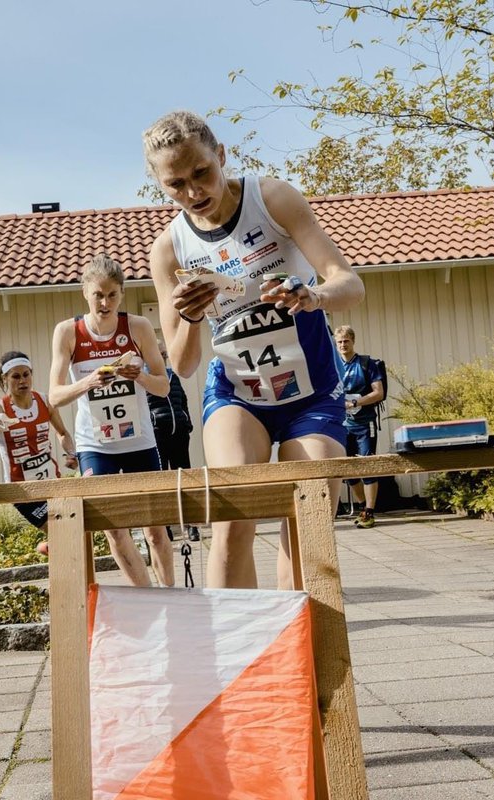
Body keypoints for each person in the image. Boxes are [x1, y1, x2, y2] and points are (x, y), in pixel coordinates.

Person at [144, 110, 365, 590]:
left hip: (311, 390)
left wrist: (315, 297)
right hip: (237, 395)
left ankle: (296, 651)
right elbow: (181, 362)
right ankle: (234, 656)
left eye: (201, 173)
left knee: (303, 524)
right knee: (230, 521)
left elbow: (350, 283)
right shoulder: (169, 249)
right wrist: (191, 314)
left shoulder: (273, 198)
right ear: (159, 184)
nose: (193, 193)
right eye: (175, 184)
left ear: (222, 156)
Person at [49, 254, 175, 588]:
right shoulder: (68, 332)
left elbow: (164, 387)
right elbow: (54, 396)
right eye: (98, 295)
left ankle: (170, 594)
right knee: (115, 530)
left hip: (138, 440)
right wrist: (89, 382)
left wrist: (141, 377)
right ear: (85, 294)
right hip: (95, 444)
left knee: (154, 529)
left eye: (112, 296)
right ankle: (145, 598)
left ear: (122, 294)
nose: (105, 303)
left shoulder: (137, 327)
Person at [0, 350, 78, 537]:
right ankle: (50, 547)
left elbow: (63, 433)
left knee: (72, 530)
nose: (22, 381)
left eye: (26, 375)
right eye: (16, 377)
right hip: (22, 488)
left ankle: (49, 549)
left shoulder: (45, 402)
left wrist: (71, 453)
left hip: (51, 481)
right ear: (5, 379)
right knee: (58, 531)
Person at [334, 325, 398, 528]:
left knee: (367, 466)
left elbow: (378, 393)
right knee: (349, 471)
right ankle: (363, 507)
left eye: (346, 341)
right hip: (342, 425)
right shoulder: (333, 365)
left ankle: (370, 512)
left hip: (364, 424)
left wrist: (355, 403)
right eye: (340, 342)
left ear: (353, 341)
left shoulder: (367, 364)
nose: (343, 345)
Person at [148, 340, 201, 543]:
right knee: (162, 481)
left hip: (179, 432)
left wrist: (186, 421)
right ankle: (166, 527)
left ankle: (191, 525)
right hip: (157, 434)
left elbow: (183, 399)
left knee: (185, 478)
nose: (163, 356)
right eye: (159, 353)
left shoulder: (173, 375)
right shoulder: (144, 377)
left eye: (164, 353)